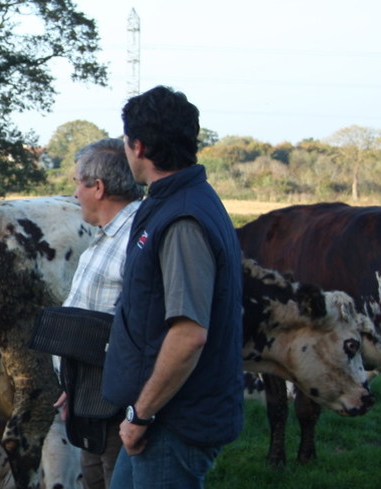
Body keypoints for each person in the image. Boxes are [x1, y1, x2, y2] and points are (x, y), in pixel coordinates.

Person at [101, 86, 244, 489]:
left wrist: (141, 415)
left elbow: (188, 335)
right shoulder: (173, 202)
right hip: (157, 416)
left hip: (172, 421)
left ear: (139, 146)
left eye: (127, 143)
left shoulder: (182, 220)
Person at [55, 137, 143, 489]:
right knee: (92, 477)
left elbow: (136, 331)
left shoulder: (135, 240)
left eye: (78, 183)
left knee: (113, 479)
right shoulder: (109, 235)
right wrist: (73, 381)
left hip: (115, 406)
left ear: (99, 187)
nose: (75, 193)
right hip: (88, 393)